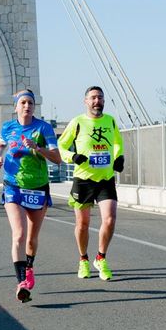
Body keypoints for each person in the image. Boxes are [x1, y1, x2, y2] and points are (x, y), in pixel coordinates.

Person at [0, 89, 61, 303]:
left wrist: (38, 148)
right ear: (16, 107)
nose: (27, 106)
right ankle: (21, 282)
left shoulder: (43, 128)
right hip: (13, 186)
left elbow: (57, 158)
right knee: (19, 234)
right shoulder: (8, 127)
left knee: (31, 238)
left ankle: (29, 267)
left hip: (38, 187)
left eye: (30, 103)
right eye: (23, 102)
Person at [57, 86, 124, 281]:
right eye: (93, 98)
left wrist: (119, 157)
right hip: (83, 179)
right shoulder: (77, 122)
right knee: (82, 224)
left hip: (105, 179)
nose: (97, 101)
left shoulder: (110, 121)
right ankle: (83, 259)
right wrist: (72, 156)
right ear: (86, 101)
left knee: (109, 219)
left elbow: (118, 142)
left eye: (100, 98)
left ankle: (101, 258)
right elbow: (61, 145)